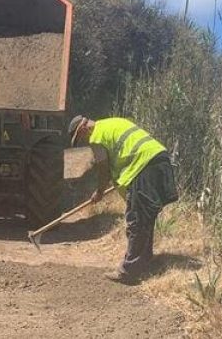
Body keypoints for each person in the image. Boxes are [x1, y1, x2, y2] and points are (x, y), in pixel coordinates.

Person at [68, 115, 179, 284]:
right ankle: (144, 262)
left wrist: (99, 191)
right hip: (159, 160)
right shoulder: (113, 123)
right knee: (145, 218)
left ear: (83, 128)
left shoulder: (97, 137)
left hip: (143, 166)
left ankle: (129, 272)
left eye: (81, 138)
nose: (84, 141)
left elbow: (103, 169)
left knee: (136, 220)